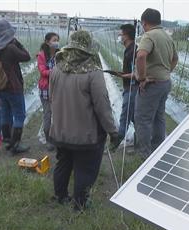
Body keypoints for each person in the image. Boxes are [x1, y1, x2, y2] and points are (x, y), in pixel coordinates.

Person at [49, 30, 119, 210]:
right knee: (85, 169)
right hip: (85, 135)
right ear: (88, 48)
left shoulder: (56, 69)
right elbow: (102, 106)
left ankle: (60, 196)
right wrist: (112, 131)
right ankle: (80, 203)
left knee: (63, 163)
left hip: (60, 130)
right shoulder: (93, 73)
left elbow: (52, 98)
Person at [135, 8, 178, 158]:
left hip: (151, 85)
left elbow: (140, 56)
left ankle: (145, 155)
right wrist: (166, 72)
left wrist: (142, 78)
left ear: (144, 22)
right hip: (165, 83)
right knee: (159, 117)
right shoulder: (167, 37)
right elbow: (175, 59)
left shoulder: (148, 36)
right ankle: (158, 150)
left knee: (143, 119)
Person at [0, 19, 31, 155]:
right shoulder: (11, 48)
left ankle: (7, 140)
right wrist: (18, 43)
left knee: (5, 113)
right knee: (19, 115)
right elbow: (27, 56)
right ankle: (15, 144)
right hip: (13, 87)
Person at [112, 23, 138, 149]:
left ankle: (116, 141)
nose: (119, 37)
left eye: (120, 34)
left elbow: (137, 73)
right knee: (133, 116)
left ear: (126, 36)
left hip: (133, 87)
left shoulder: (133, 50)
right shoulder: (129, 49)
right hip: (130, 87)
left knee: (125, 115)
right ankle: (138, 142)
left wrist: (124, 76)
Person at [37, 32, 60, 151]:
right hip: (46, 89)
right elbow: (43, 72)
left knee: (58, 115)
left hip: (58, 88)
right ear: (47, 42)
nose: (56, 42)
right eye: (54, 40)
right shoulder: (42, 55)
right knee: (47, 114)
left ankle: (57, 137)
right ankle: (48, 140)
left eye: (57, 40)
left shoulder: (60, 54)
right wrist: (55, 72)